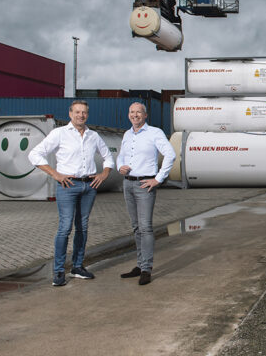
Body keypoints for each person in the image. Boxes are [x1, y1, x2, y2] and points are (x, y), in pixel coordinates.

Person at [28, 100, 113, 287]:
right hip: (68, 186)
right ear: (70, 114)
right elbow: (34, 154)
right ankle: (59, 271)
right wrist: (55, 174)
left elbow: (108, 157)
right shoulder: (59, 134)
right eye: (77, 112)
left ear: (87, 115)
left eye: (84, 112)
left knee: (82, 227)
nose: (80, 115)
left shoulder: (93, 136)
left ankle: (77, 267)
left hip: (89, 186)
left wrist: (104, 174)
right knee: (65, 228)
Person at [117, 102, 176, 285]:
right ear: (129, 115)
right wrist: (120, 166)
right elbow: (121, 156)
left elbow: (170, 154)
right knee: (136, 227)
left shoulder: (154, 133)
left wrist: (158, 179)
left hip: (145, 185)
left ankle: (146, 269)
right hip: (128, 184)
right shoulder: (127, 134)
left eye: (138, 112)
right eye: (132, 112)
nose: (135, 115)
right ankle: (140, 264)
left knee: (145, 227)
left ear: (145, 115)